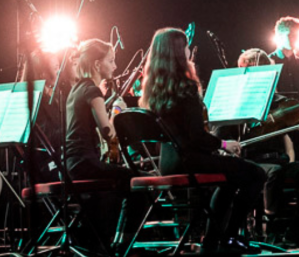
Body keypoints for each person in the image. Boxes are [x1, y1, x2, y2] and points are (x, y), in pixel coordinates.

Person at [140, 28, 266, 254]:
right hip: (190, 160)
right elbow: (196, 137)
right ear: (179, 52)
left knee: (230, 180)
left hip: (168, 162)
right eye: (186, 46)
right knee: (256, 174)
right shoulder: (186, 88)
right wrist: (225, 145)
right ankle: (227, 238)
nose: (190, 50)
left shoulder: (154, 90)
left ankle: (213, 241)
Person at [231, 48, 299, 248]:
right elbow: (225, 137)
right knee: (275, 171)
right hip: (252, 161)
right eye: (246, 70)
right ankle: (271, 228)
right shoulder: (236, 102)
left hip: (278, 159)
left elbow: (298, 139)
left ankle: (296, 227)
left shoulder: (279, 102)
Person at [65, 39, 142, 254]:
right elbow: (108, 133)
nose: (115, 66)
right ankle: (123, 244)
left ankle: (102, 239)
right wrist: (117, 112)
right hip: (85, 163)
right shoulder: (92, 90)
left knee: (119, 182)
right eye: (111, 61)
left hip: (74, 163)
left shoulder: (77, 89)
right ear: (98, 64)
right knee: (139, 182)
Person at [269, 16, 299, 101]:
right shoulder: (268, 63)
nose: (295, 39)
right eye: (291, 35)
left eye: (296, 35)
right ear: (279, 36)